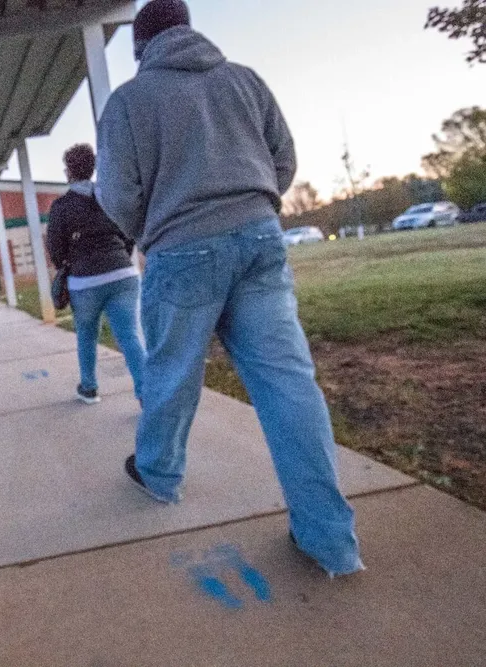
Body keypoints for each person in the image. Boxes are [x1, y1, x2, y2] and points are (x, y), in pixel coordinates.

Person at [95, 0, 362, 576]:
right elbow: (283, 159)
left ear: (140, 48)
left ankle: (160, 475)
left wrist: (152, 230)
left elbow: (115, 194)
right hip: (261, 241)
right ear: (189, 30)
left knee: (172, 375)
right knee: (289, 384)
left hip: (180, 249)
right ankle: (329, 543)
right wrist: (253, 201)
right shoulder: (244, 80)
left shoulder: (127, 103)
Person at [46, 144, 147, 405]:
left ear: (69, 172)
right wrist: (119, 256)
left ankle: (89, 388)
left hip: (85, 280)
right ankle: (148, 393)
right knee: (130, 336)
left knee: (87, 336)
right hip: (123, 274)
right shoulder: (109, 199)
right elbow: (128, 233)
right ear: (92, 169)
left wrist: (70, 264)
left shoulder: (61, 207)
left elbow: (55, 248)